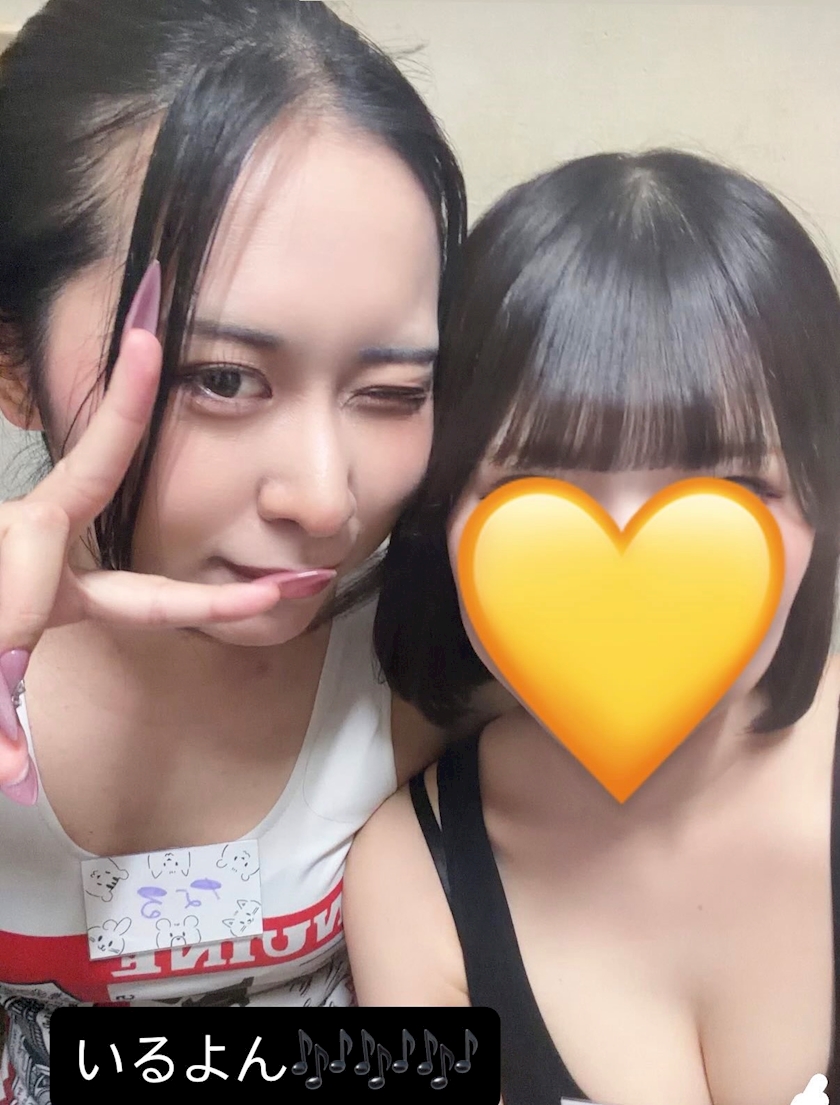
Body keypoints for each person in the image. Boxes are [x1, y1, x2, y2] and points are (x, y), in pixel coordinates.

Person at [0, 1, 475, 1101]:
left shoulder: (431, 653)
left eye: (392, 390)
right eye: (222, 378)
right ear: (15, 362)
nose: (324, 496)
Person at [344, 150, 840, 1105]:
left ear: (823, 508)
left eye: (734, 488)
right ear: (444, 517)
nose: (635, 564)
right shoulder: (414, 883)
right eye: (535, 488)